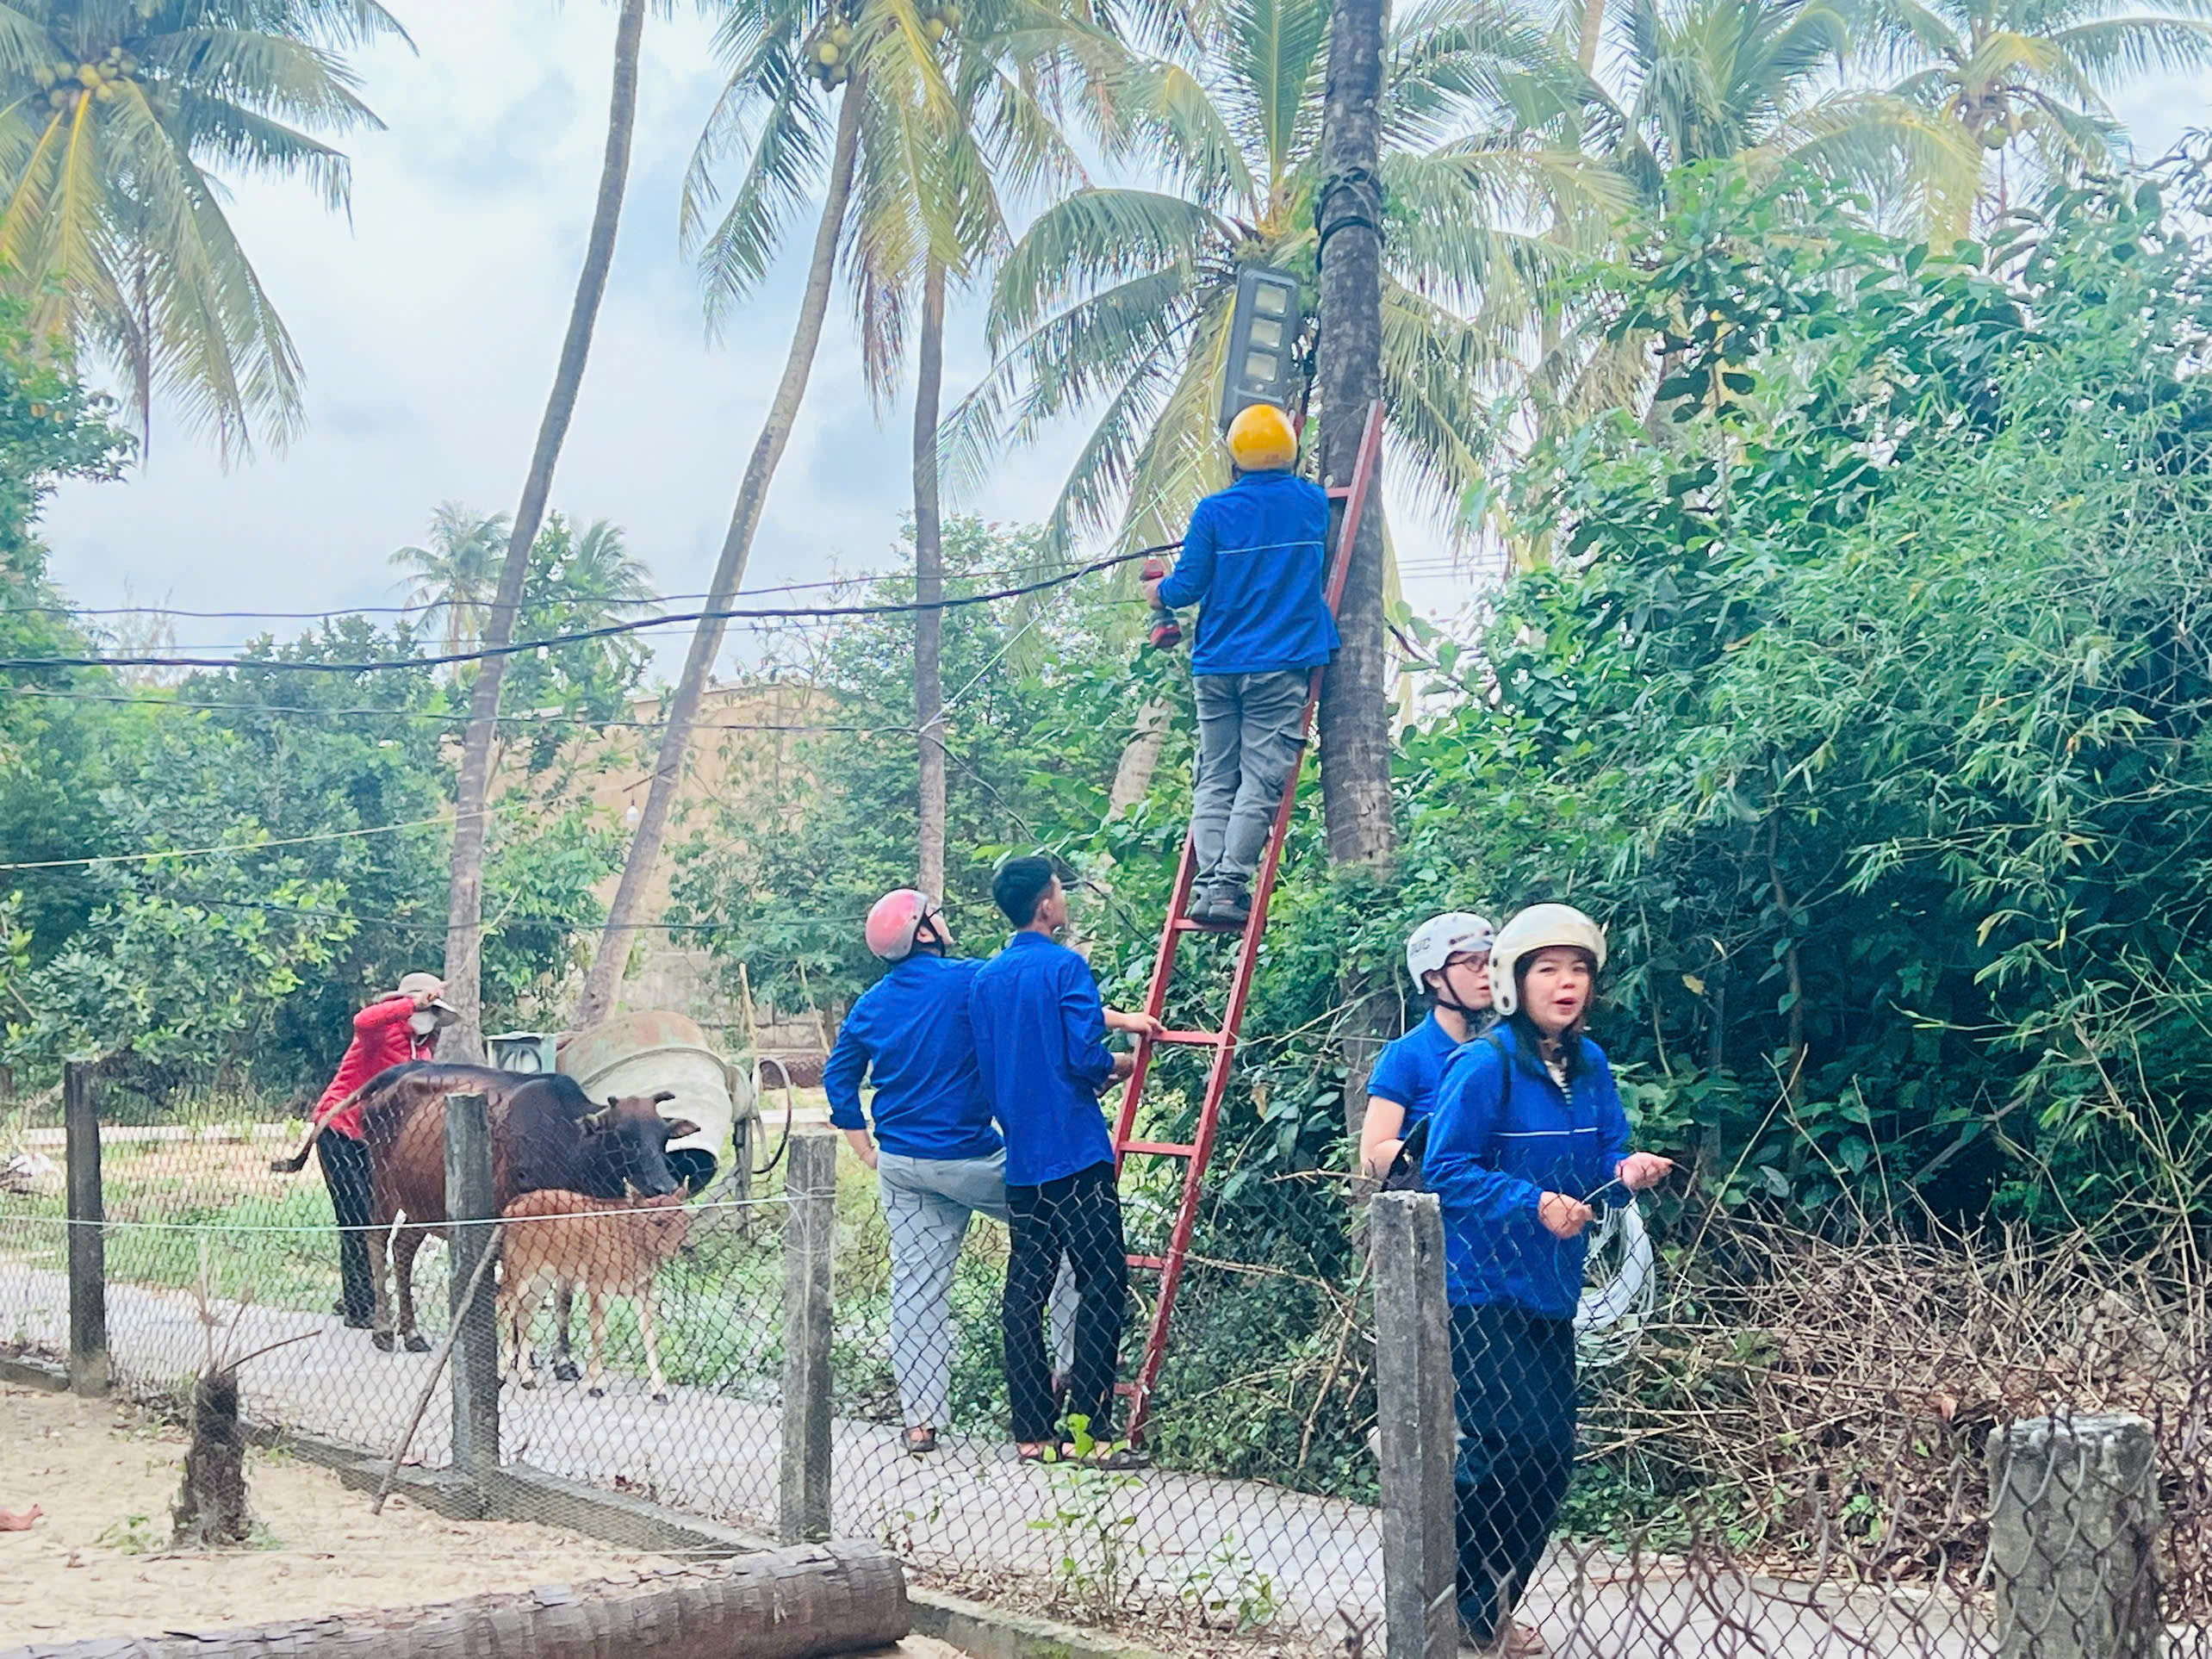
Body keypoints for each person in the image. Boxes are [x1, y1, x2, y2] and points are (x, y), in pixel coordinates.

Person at [1421, 905, 1673, 1657]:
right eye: (1547, 969)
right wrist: (1532, 1203)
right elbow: (1447, 1171)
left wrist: (1628, 1173)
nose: (1566, 983)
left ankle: (1484, 1612)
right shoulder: (1484, 1063)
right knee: (1508, 1445)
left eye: (1579, 969)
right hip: (1480, 1289)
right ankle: (1450, 1604)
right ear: (1512, 982)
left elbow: (1607, 1163)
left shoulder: (1590, 1066)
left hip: (1553, 1289)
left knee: (1550, 1457)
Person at [826, 888, 1074, 1455]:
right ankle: (1069, 1368)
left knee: (917, 1291)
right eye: (934, 916)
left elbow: (839, 1080)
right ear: (924, 933)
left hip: (903, 1167)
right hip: (971, 1158)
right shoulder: (969, 979)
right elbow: (1028, 1010)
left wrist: (865, 1149)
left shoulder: (870, 1004)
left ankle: (920, 1422)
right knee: (1066, 1236)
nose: (942, 921)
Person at [969, 855, 1160, 1465]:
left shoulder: (986, 979)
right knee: (1102, 1280)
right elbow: (1084, 1054)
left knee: (1026, 1288)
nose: (1062, 899)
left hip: (1023, 1156)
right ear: (1046, 905)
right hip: (1075, 1152)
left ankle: (1032, 1430)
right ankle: (1091, 1428)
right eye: (1059, 890)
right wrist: (1121, 1066)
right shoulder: (1066, 967)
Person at [1140, 402, 1339, 927]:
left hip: (1217, 668)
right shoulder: (1313, 504)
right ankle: (1229, 884)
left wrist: (1156, 593)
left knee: (1215, 778)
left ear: (1235, 457)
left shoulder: (1213, 512)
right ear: (1291, 452)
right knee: (1259, 776)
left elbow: (1185, 589)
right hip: (1280, 665)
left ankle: (1208, 886)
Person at [310, 972, 454, 1328]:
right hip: (342, 1129)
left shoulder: (423, 1051)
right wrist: (411, 1005)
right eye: (424, 1010)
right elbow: (363, 1019)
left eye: (432, 1011)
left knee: (376, 1215)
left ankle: (361, 1295)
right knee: (356, 1216)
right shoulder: (379, 1034)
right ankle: (362, 1306)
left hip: (382, 1142)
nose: (427, 1017)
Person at [1360, 912, 1496, 1184]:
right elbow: (1372, 1155)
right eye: (1472, 962)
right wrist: (1444, 1155)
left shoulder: (1509, 1048)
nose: (1487, 972)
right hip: (1437, 1211)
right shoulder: (1406, 1054)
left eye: (1491, 961)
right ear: (1434, 976)